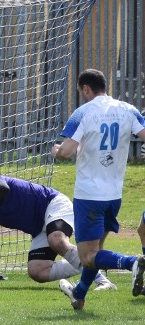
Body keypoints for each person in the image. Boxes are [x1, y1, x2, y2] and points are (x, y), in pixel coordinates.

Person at [51, 68, 145, 310]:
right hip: (114, 196)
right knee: (96, 250)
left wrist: (57, 151)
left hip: (89, 196)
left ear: (85, 89)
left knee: (88, 256)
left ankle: (132, 263)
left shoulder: (83, 112)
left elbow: (67, 151)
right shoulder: (127, 110)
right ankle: (79, 294)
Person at [0, 171, 115, 290]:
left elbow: (3, 189)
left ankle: (102, 279)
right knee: (37, 271)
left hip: (53, 205)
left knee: (57, 240)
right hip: (39, 228)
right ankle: (93, 262)